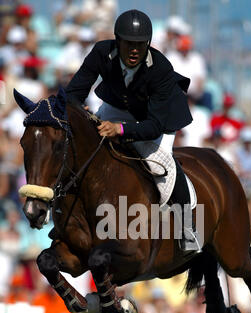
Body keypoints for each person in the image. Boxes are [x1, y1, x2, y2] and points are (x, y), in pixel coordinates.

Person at [66, 9, 201, 253]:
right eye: (129, 44)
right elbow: (73, 93)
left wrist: (119, 129)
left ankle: (188, 229)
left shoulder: (160, 68)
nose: (135, 50)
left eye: (140, 44)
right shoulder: (101, 52)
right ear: (118, 41)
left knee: (163, 167)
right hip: (118, 106)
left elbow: (153, 126)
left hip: (156, 118)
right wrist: (78, 110)